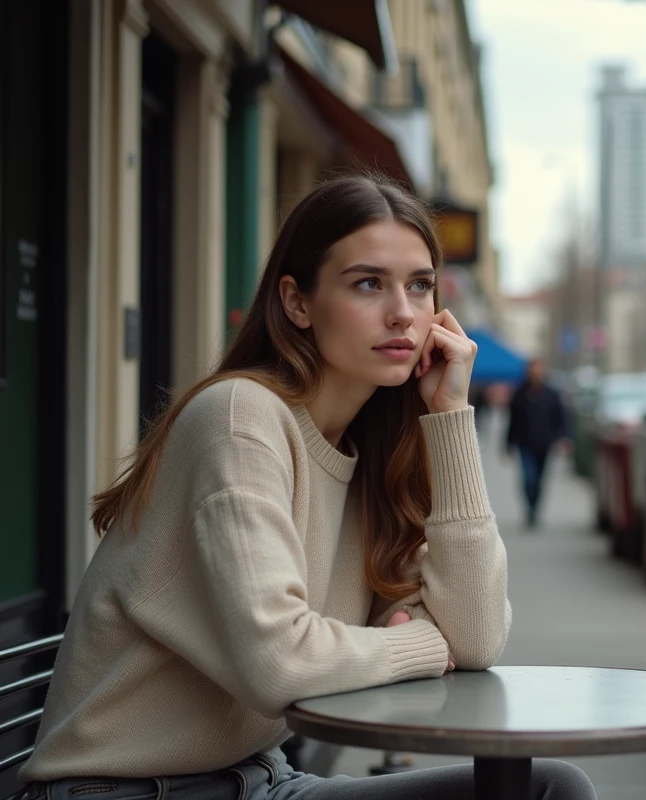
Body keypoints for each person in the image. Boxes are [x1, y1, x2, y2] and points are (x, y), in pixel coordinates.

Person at [19, 175, 596, 800]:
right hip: (122, 790)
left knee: (547, 787)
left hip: (261, 780)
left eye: (421, 285)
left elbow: (478, 637)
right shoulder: (242, 420)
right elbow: (280, 662)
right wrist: (420, 645)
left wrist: (450, 419)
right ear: (297, 302)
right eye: (368, 283)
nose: (403, 311)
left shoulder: (371, 450)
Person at [505, 359, 568, 529]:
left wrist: (564, 438)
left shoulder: (552, 394)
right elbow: (513, 421)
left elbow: (561, 417)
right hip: (524, 443)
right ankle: (529, 508)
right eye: (532, 370)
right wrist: (508, 443)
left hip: (545, 444)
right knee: (528, 478)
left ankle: (535, 509)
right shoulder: (519, 394)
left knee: (539, 480)